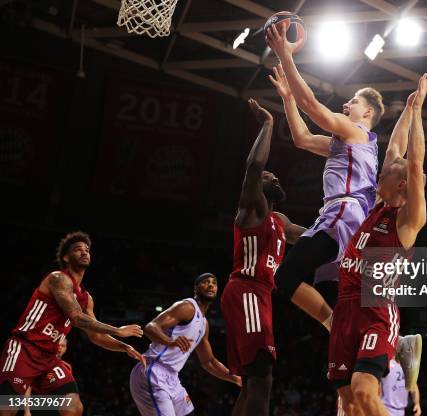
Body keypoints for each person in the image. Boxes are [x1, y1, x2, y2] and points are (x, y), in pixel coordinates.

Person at [328, 73, 427, 416]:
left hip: (375, 309)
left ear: (401, 184)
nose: (380, 173)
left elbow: (413, 163)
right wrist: (406, 108)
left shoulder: (407, 221)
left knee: (365, 391)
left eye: (387, 173)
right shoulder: (378, 206)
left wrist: (417, 111)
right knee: (350, 402)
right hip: (345, 308)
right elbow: (395, 149)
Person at [267, 24, 385, 329]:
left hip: (343, 213)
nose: (346, 105)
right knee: (311, 286)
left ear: (368, 114)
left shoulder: (355, 132)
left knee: (286, 277)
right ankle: (351, 330)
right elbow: (303, 138)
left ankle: (337, 325)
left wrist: (285, 55)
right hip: (346, 217)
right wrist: (287, 98)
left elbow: (313, 108)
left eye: (354, 103)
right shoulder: (351, 143)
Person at [220, 99, 305, 416]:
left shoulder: (280, 221)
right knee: (261, 377)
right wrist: (268, 124)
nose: (274, 177)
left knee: (254, 379)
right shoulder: (252, 211)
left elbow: (311, 238)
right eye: (271, 176)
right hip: (247, 289)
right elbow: (254, 167)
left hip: (260, 295)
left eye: (276, 176)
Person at [0, 231, 144, 416]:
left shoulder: (86, 298)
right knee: (7, 408)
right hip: (25, 348)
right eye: (78, 250)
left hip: (49, 358)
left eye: (87, 250)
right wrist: (118, 330)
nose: (84, 252)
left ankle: (32, 406)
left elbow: (96, 335)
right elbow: (76, 317)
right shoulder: (58, 278)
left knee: (72, 406)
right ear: (66, 258)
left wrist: (123, 347)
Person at [130, 273, 240, 415]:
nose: (211, 285)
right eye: (206, 282)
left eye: (214, 283)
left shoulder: (204, 324)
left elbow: (209, 362)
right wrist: (170, 341)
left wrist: (235, 378)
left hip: (172, 377)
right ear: (196, 289)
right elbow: (150, 328)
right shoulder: (187, 307)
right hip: (153, 369)